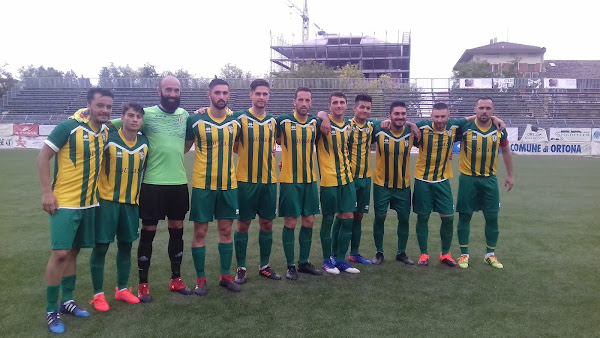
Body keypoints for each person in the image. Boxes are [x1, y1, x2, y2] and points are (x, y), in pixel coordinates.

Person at [37, 88, 112, 334]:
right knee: (59, 253)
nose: (104, 110)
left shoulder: (104, 130)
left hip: (89, 202)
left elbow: (127, 120)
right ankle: (51, 310)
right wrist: (47, 192)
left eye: (109, 107)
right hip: (64, 202)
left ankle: (67, 301)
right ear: (88, 105)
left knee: (73, 252)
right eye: (100, 105)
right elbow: (43, 157)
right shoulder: (68, 127)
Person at [111, 76, 192, 301]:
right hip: (151, 185)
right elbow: (111, 124)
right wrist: (81, 115)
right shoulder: (145, 114)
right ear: (159, 91)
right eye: (169, 89)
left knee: (178, 231)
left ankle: (176, 280)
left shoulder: (184, 115)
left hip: (178, 183)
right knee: (149, 234)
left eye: (177, 90)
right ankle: (143, 285)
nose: (173, 94)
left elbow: (187, 142)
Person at [412, 102, 506, 268]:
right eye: (436, 116)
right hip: (422, 180)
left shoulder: (455, 126)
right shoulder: (423, 126)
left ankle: (446, 253)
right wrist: (410, 124)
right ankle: (424, 254)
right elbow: (401, 122)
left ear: (449, 117)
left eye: (443, 116)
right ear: (431, 117)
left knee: (448, 218)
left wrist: (494, 117)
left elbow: (476, 117)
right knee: (423, 217)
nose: (440, 120)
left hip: (443, 180)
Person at [88, 102, 148, 311]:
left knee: (126, 246)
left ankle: (122, 290)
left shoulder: (144, 142)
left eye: (138, 117)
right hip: (106, 203)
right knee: (101, 247)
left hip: (131, 204)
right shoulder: (108, 138)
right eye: (130, 115)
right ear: (121, 118)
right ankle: (98, 295)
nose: (134, 120)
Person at [185, 79, 241, 293]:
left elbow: (239, 147)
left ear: (229, 95)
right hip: (203, 186)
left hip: (228, 185)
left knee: (226, 230)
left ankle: (225, 276)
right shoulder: (195, 120)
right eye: (217, 92)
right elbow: (184, 147)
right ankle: (201, 280)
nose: (221, 96)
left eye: (225, 93)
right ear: (209, 94)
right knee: (200, 232)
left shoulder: (236, 121)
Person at [231, 79, 281, 284]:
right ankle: (241, 267)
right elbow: (234, 145)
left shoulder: (272, 121)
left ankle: (265, 265)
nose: (262, 97)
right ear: (250, 95)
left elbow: (278, 145)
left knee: (267, 223)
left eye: (265, 94)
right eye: (258, 93)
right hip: (245, 181)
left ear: (269, 96)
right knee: (243, 224)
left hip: (269, 181)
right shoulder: (239, 117)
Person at [455, 97, 514, 269]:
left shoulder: (499, 129)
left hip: (489, 179)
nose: (484, 111)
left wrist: (510, 175)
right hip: (468, 179)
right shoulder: (465, 127)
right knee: (465, 216)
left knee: (492, 216)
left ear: (493, 110)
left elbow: (506, 151)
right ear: (475, 109)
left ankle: (490, 255)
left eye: (488, 108)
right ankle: (464, 254)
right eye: (481, 107)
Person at [276, 87, 323, 280]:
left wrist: (324, 116)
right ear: (294, 102)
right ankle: (290, 265)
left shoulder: (314, 122)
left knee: (309, 221)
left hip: (310, 180)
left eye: (308, 100)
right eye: (301, 100)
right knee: (291, 222)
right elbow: (272, 138)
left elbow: (325, 119)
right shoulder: (283, 120)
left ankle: (304, 262)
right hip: (289, 180)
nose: (304, 103)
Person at [314, 92, 360, 275]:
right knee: (328, 219)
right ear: (330, 105)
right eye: (335, 102)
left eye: (342, 102)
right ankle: (326, 260)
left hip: (347, 179)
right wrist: (323, 115)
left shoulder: (350, 124)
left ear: (347, 105)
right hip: (329, 180)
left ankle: (340, 259)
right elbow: (316, 114)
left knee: (348, 218)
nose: (339, 105)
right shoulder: (321, 123)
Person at [371, 101, 415, 265]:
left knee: (404, 219)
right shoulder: (379, 129)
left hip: (403, 185)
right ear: (389, 115)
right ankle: (379, 252)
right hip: (382, 184)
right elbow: (363, 122)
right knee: (380, 218)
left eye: (403, 114)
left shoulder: (411, 131)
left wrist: (412, 124)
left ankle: (401, 252)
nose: (400, 117)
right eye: (396, 114)